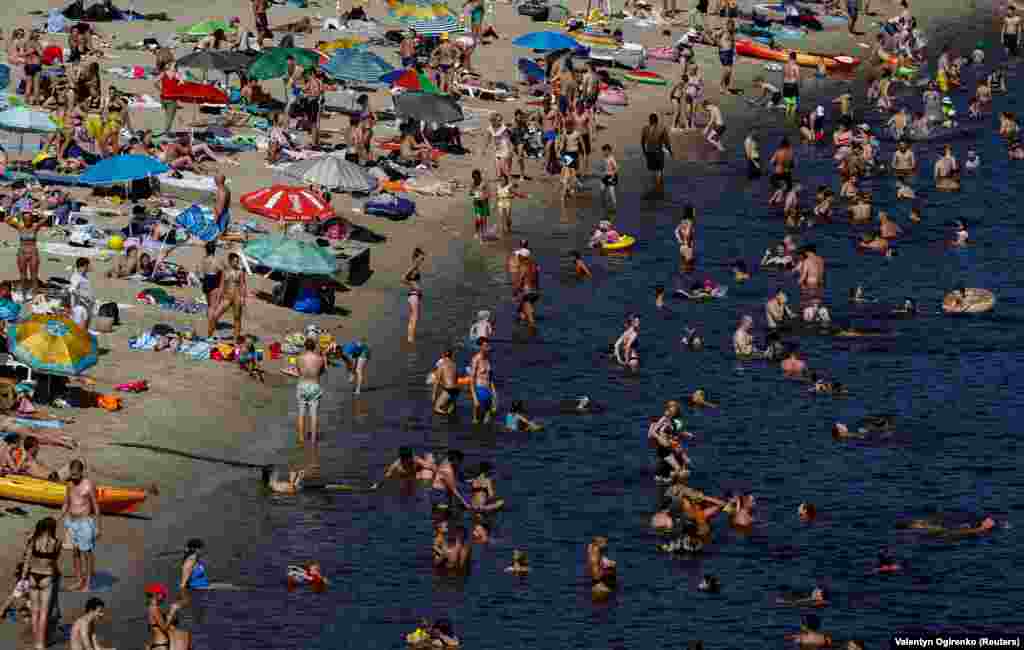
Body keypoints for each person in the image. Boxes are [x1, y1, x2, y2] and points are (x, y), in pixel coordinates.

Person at [21, 517, 61, 650]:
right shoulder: (57, 543)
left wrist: (23, 578)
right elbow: (54, 563)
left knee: (34, 611)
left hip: (33, 576)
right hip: (47, 577)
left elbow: (27, 560)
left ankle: (35, 641)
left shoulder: (34, 541)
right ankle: (41, 643)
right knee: (44, 612)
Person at [60, 460, 99, 592]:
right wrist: (59, 517)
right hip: (72, 522)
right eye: (72, 474)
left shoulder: (89, 485)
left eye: (76, 474)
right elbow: (66, 502)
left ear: (81, 472)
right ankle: (78, 580)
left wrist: (98, 527)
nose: (74, 477)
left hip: (85, 522)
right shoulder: (69, 484)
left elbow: (96, 506)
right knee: (75, 553)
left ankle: (87, 583)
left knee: (87, 554)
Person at [206, 252, 246, 341]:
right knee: (215, 316)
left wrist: (243, 297)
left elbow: (243, 285)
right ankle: (209, 336)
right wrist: (217, 301)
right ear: (230, 261)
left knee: (237, 318)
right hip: (227, 297)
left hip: (237, 297)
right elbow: (221, 286)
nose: (237, 263)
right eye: (235, 261)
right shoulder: (225, 272)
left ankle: (235, 339)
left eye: (237, 261)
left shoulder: (240, 271)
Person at [5, 209, 46, 293]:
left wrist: (36, 211)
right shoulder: (20, 227)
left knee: (34, 276)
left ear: (32, 219)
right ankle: (24, 295)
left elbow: (45, 218)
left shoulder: (35, 227)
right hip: (22, 253)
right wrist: (17, 214)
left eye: (29, 219)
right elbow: (6, 220)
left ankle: (34, 294)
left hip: (33, 252)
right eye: (25, 219)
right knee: (23, 276)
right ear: (23, 220)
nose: (27, 221)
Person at [295, 337, 325, 444]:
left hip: (302, 384)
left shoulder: (299, 358)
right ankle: (313, 439)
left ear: (304, 346)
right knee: (314, 415)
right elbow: (322, 372)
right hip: (314, 385)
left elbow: (298, 371)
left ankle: (301, 438)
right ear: (314, 347)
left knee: (301, 413)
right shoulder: (319, 359)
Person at [641, 113, 671, 193]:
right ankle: (658, 190)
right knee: (659, 171)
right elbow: (667, 142)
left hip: (649, 153)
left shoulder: (645, 129)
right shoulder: (662, 128)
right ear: (657, 121)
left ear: (649, 121)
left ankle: (654, 189)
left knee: (652, 171)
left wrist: (645, 152)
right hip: (658, 153)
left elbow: (642, 142)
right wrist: (670, 151)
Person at [470, 338, 498, 424]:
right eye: (485, 346)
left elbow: (490, 377)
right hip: (479, 389)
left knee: (488, 419)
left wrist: (494, 392)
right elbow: (472, 379)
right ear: (480, 347)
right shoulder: (476, 359)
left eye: (488, 345)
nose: (488, 347)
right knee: (476, 420)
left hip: (488, 390)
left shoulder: (487, 359)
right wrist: (474, 397)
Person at [403, 248, 425, 343]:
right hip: (413, 295)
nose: (422, 260)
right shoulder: (413, 267)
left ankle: (410, 336)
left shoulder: (415, 267)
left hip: (414, 295)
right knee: (414, 317)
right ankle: (410, 337)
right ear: (416, 258)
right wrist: (414, 286)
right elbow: (403, 278)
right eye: (421, 258)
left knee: (413, 316)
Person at [514, 253, 541, 327]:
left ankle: (532, 333)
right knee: (522, 310)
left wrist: (515, 291)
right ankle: (524, 327)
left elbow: (520, 280)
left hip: (527, 293)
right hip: (536, 291)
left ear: (522, 257)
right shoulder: (534, 265)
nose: (518, 258)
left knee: (530, 319)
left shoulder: (523, 266)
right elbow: (536, 278)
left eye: (519, 256)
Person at [432, 349, 460, 416]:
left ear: (444, 356)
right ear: (451, 356)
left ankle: (445, 415)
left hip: (448, 389)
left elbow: (437, 381)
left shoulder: (441, 364)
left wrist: (434, 395)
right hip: (456, 390)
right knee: (450, 409)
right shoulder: (454, 364)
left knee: (436, 408)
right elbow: (456, 379)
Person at [600, 144, 619, 212]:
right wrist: (602, 173)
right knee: (602, 190)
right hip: (605, 176)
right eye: (603, 151)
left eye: (606, 151)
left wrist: (613, 175)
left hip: (611, 176)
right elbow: (603, 167)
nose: (604, 152)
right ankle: (604, 203)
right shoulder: (604, 158)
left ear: (609, 151)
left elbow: (616, 168)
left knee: (611, 192)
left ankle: (614, 205)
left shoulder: (611, 158)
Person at [782, 51, 800, 117]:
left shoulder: (785, 65)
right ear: (795, 58)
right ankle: (791, 118)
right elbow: (797, 76)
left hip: (785, 85)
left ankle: (787, 116)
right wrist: (799, 84)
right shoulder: (795, 66)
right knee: (794, 103)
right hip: (793, 85)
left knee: (788, 103)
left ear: (789, 57)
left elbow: (784, 75)